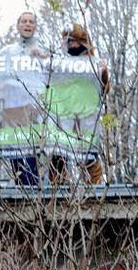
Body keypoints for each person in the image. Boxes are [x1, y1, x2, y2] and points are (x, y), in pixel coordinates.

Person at [50, 23, 109, 185]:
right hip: (64, 114)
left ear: (82, 42)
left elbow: (105, 89)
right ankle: (58, 190)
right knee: (58, 153)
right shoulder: (59, 63)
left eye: (74, 41)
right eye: (68, 41)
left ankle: (95, 189)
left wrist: (103, 73)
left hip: (87, 115)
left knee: (88, 154)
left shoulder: (93, 64)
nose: (71, 45)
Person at [0, 12, 50, 186]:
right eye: (24, 21)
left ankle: (35, 190)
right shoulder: (8, 51)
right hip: (13, 109)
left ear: (35, 26)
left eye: (31, 22)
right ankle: (23, 189)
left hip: (36, 109)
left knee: (35, 152)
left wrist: (46, 58)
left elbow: (60, 69)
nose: (28, 24)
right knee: (16, 151)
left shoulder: (45, 49)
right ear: (18, 25)